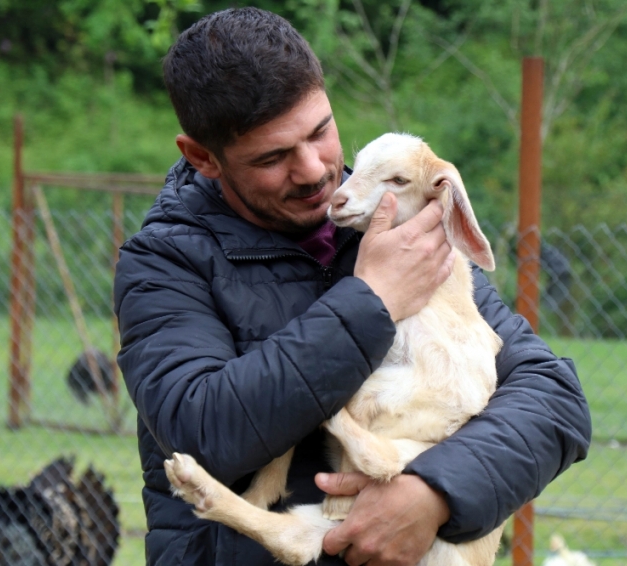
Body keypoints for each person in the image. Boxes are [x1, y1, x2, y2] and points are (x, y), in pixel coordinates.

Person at [114, 7, 591, 566]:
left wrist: (434, 491)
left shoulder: (399, 221)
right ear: (202, 157)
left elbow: (552, 399)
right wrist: (373, 302)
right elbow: (202, 430)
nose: (315, 169)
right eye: (273, 157)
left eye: (321, 131)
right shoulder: (164, 263)